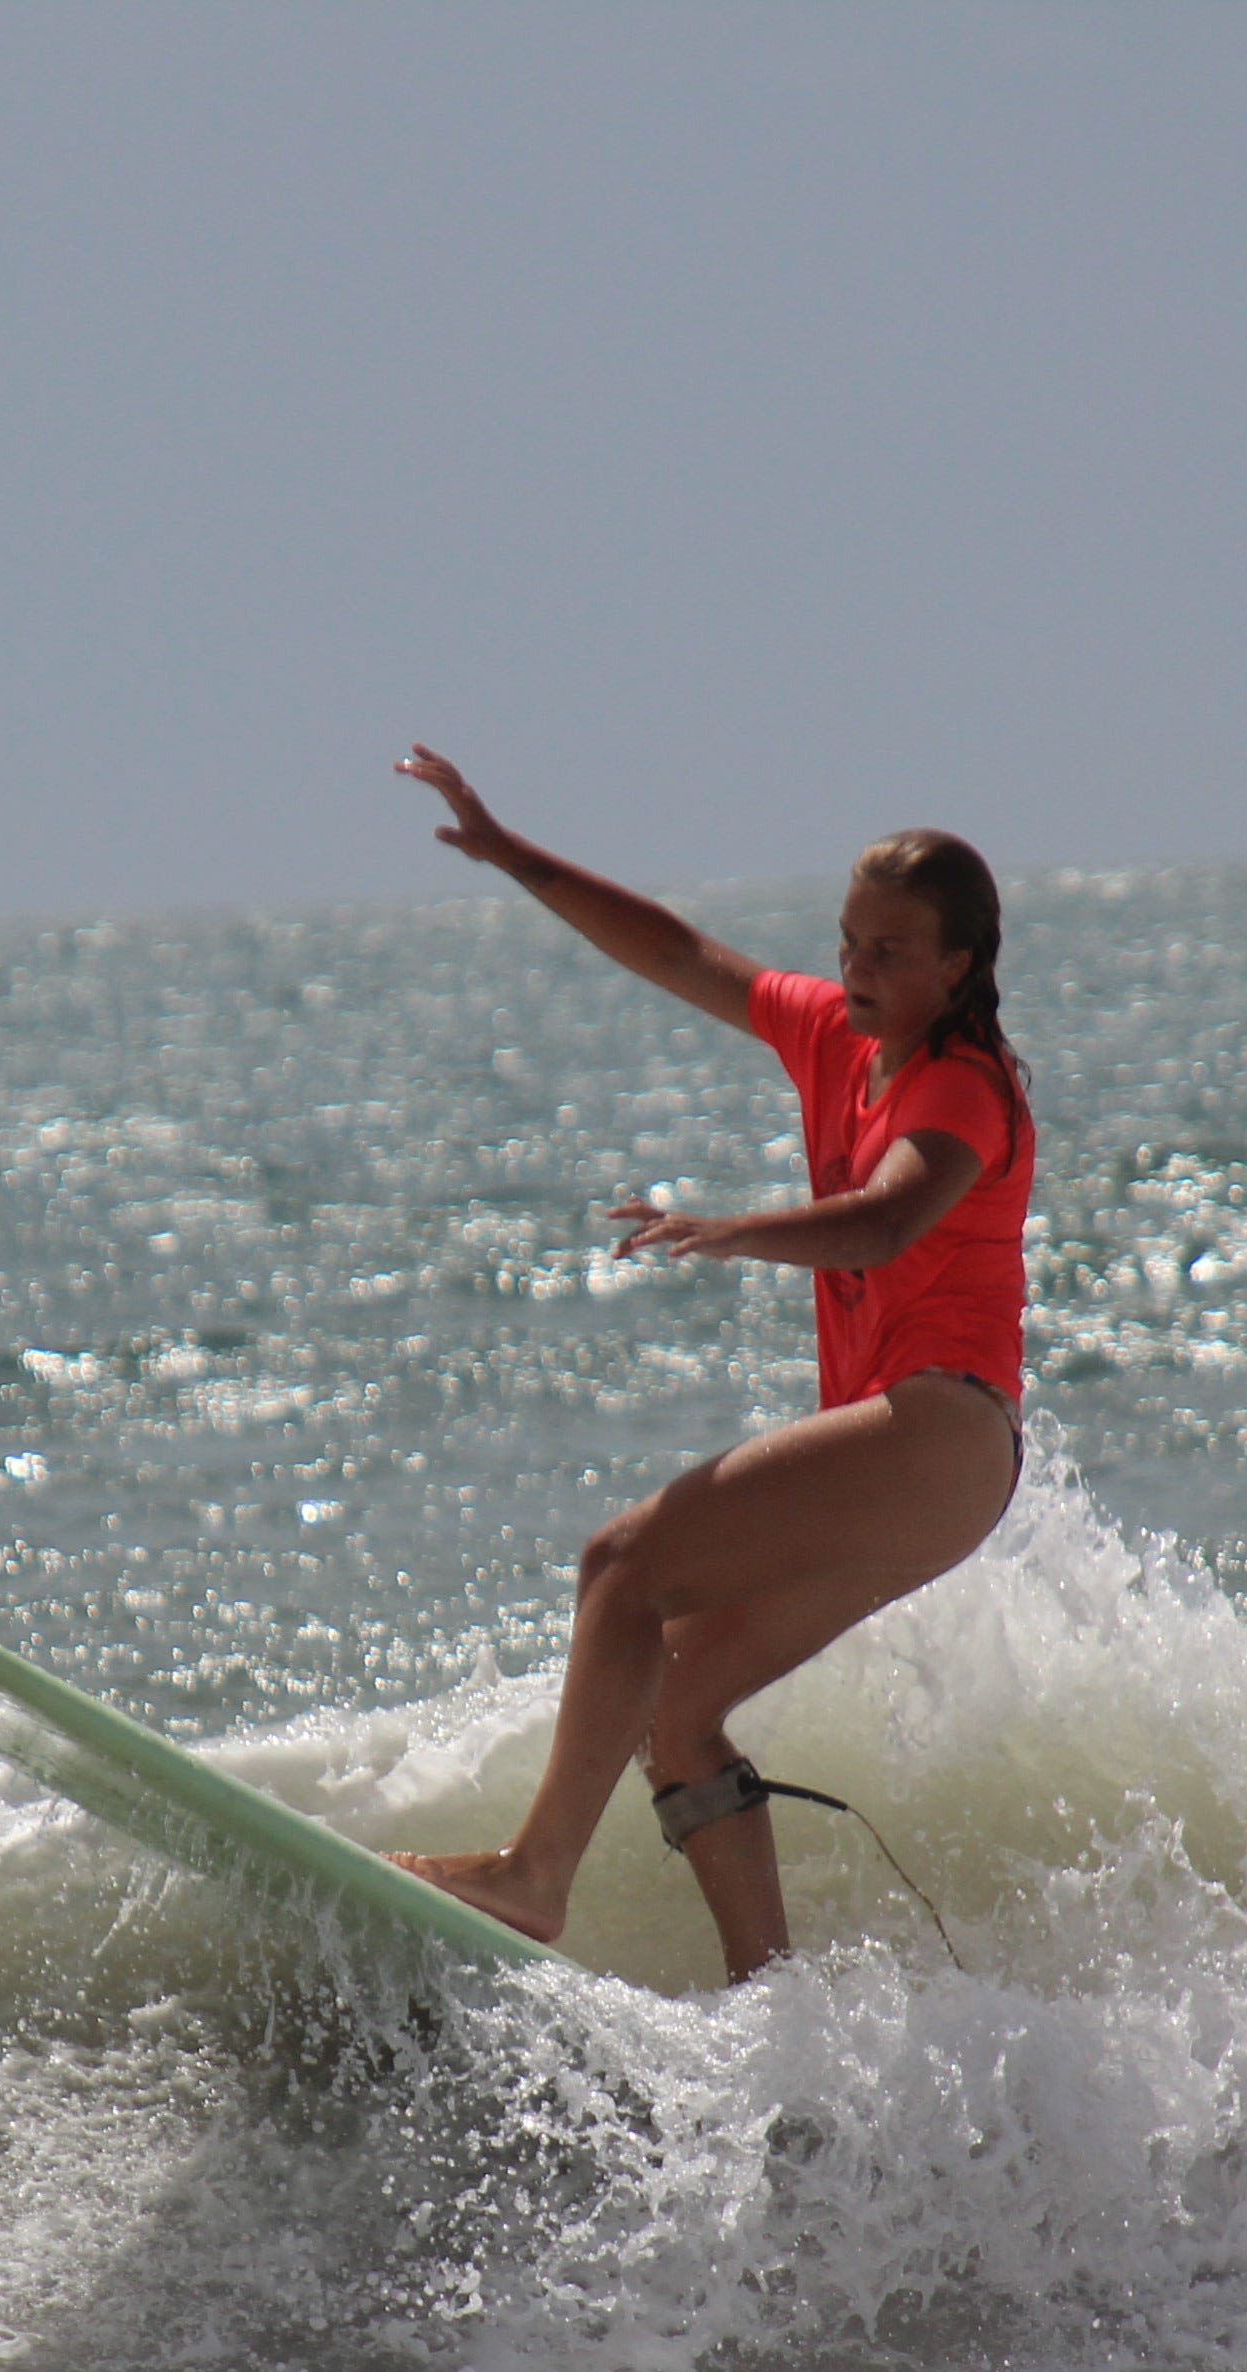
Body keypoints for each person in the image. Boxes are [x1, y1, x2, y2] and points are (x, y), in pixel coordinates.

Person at [382, 745, 1035, 1979]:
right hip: (937, 1473)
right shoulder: (844, 1041)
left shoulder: (962, 1090)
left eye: (890, 953)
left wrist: (735, 1231)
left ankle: (531, 1881)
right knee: (673, 1709)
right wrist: (516, 855)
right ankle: (772, 2002)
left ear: (959, 966)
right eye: (849, 944)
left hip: (942, 1430)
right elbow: (684, 955)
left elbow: (888, 1219)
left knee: (622, 1564)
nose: (857, 972)